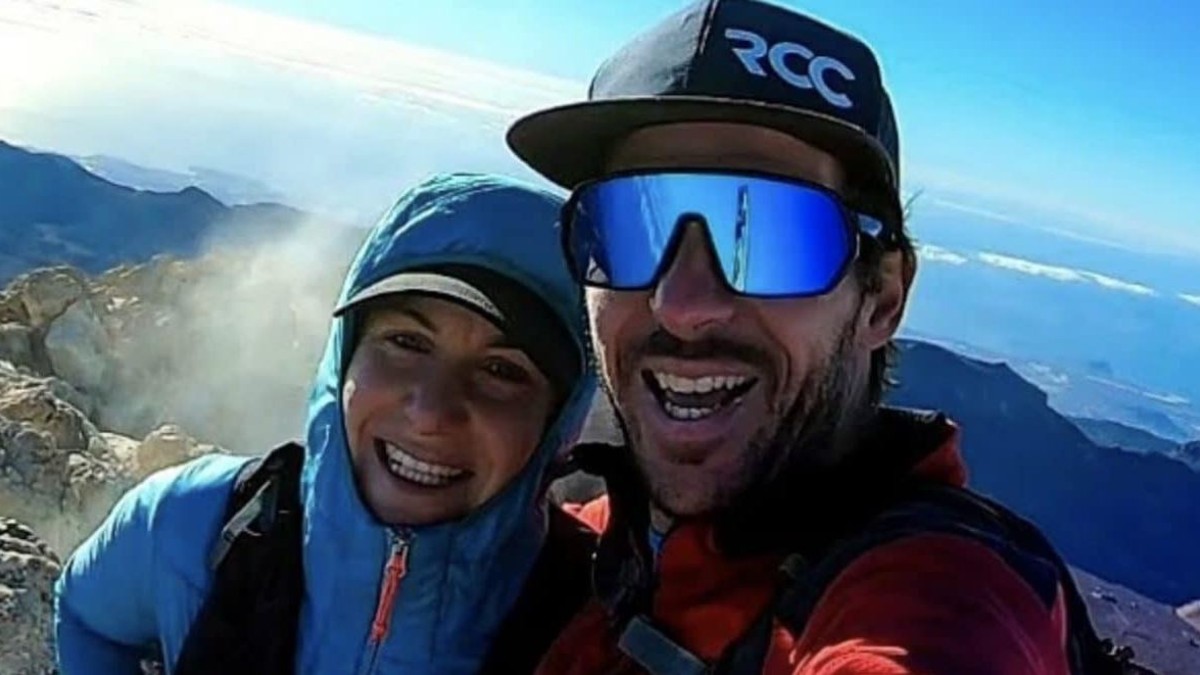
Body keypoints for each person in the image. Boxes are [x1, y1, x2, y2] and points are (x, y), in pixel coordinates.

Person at [505, 1, 1131, 673]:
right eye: (629, 225)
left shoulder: (941, 592)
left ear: (881, 298)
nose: (681, 304)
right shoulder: (580, 542)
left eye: (774, 234)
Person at [53, 172, 599, 674]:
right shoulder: (192, 523)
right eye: (406, 341)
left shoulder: (596, 632)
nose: (430, 412)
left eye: (502, 371)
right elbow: (87, 616)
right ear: (345, 357)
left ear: (558, 423)